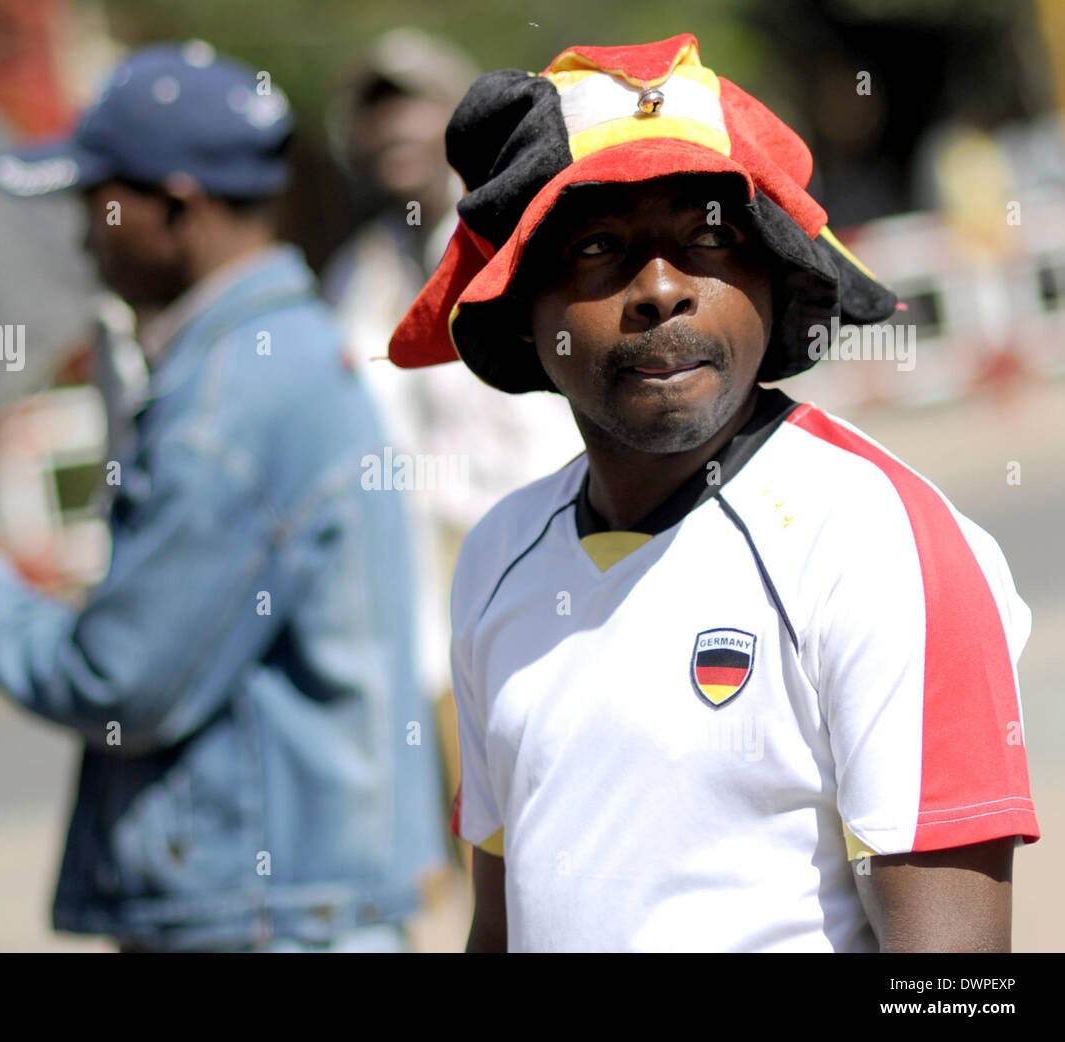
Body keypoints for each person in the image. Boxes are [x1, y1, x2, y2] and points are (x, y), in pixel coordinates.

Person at [388, 33, 1040, 952]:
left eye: (709, 237)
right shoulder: (497, 555)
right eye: (599, 247)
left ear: (774, 278)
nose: (660, 289)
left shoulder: (879, 545)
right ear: (526, 317)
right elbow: (497, 924)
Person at [0, 41, 447, 952]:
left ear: (174, 207)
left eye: (97, 203)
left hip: (263, 917)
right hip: (298, 906)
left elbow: (120, 679)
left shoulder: (229, 402)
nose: (84, 235)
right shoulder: (271, 355)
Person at [321, 29, 584, 811]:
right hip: (425, 564)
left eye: (414, 107)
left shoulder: (517, 243)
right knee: (469, 806)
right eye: (376, 116)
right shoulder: (355, 275)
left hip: (551, 542)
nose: (396, 130)